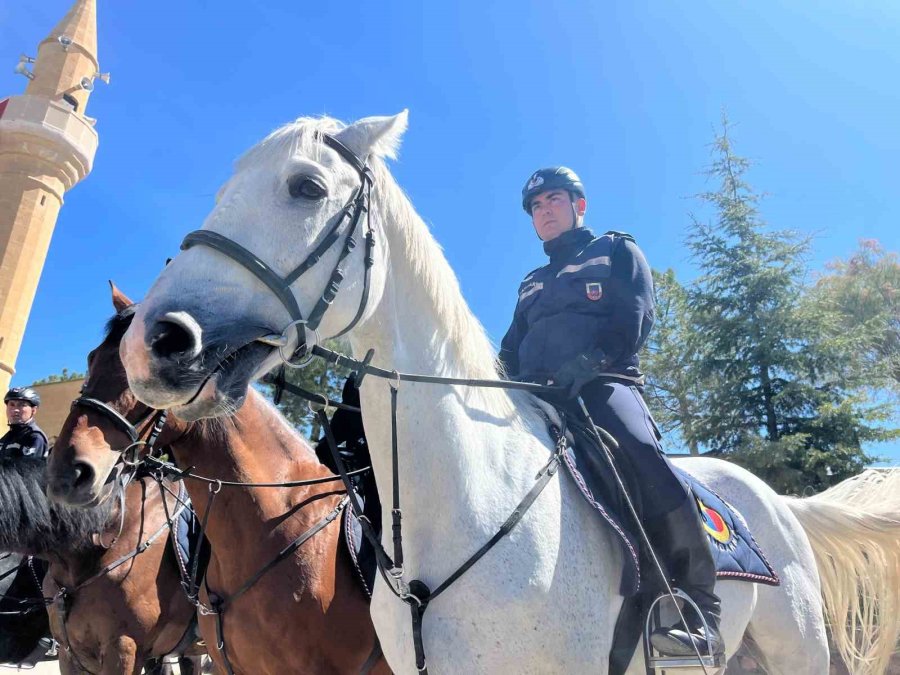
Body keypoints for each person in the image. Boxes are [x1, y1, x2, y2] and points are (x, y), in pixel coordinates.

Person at [499, 167, 723, 658]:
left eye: (553, 199)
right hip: (536, 396)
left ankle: (698, 608)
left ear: (579, 205)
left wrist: (587, 365)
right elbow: (510, 350)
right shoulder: (531, 284)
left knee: (642, 454)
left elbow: (635, 316)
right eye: (536, 207)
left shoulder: (615, 250)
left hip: (603, 386)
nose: (544, 211)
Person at [1, 387, 49, 460]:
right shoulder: (5, 438)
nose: (15, 410)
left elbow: (27, 470)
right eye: (12, 404)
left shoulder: (35, 437)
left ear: (33, 410)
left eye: (22, 405)